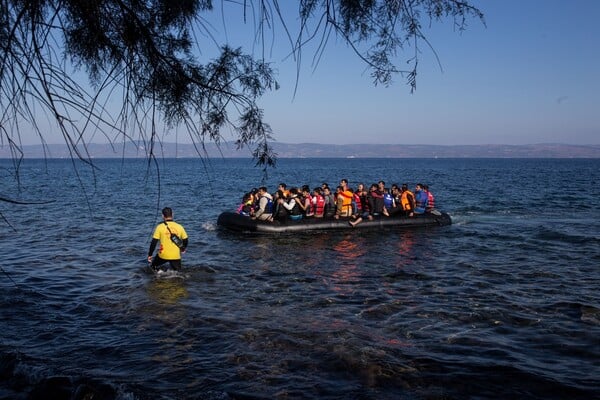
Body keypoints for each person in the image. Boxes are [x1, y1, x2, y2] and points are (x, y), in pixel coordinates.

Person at [148, 207, 188, 271]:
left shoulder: (159, 227)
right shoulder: (180, 226)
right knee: (179, 273)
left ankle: (157, 277)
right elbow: (185, 240)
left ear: (162, 216)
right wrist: (183, 249)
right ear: (173, 214)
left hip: (163, 255)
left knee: (153, 267)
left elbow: (154, 243)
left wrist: (150, 255)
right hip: (175, 256)